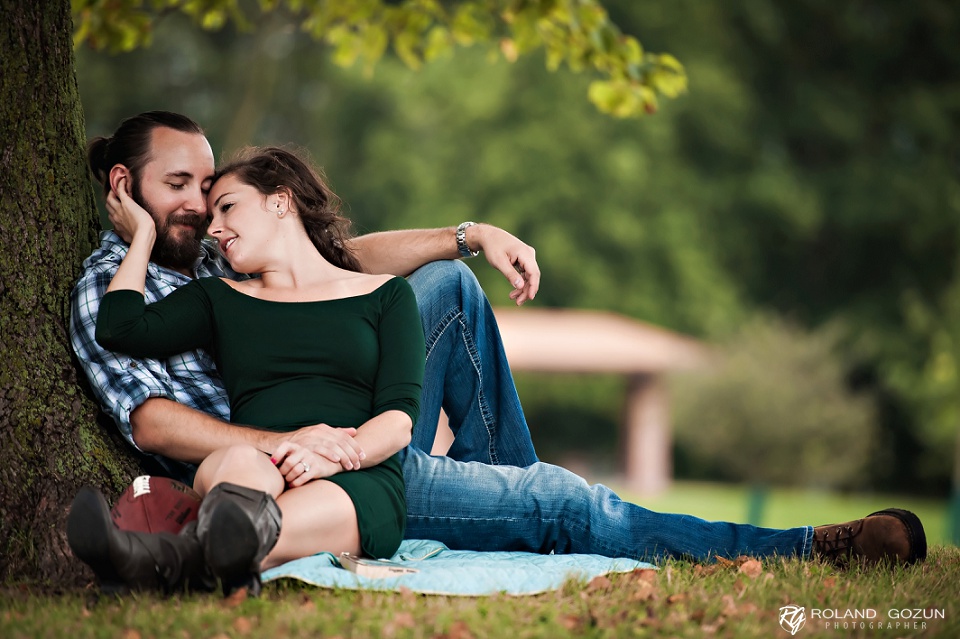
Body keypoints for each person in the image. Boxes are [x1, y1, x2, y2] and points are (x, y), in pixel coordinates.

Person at [69, 112, 926, 594]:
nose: (201, 213)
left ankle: (515, 496)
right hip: (289, 458)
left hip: (357, 438)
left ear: (272, 204)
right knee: (558, 502)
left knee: (449, 286)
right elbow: (152, 417)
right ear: (125, 189)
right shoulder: (129, 280)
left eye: (214, 194)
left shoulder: (227, 257)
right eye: (181, 189)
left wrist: (468, 234)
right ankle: (799, 543)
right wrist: (306, 444)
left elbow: (342, 272)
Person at [70, 145, 426, 596]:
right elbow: (119, 327)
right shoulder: (219, 298)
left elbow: (397, 420)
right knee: (239, 470)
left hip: (352, 473)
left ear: (280, 200)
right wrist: (140, 235)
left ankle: (143, 561)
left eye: (228, 207)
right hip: (257, 461)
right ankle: (185, 564)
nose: (213, 227)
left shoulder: (386, 295)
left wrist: (324, 457)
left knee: (260, 527)